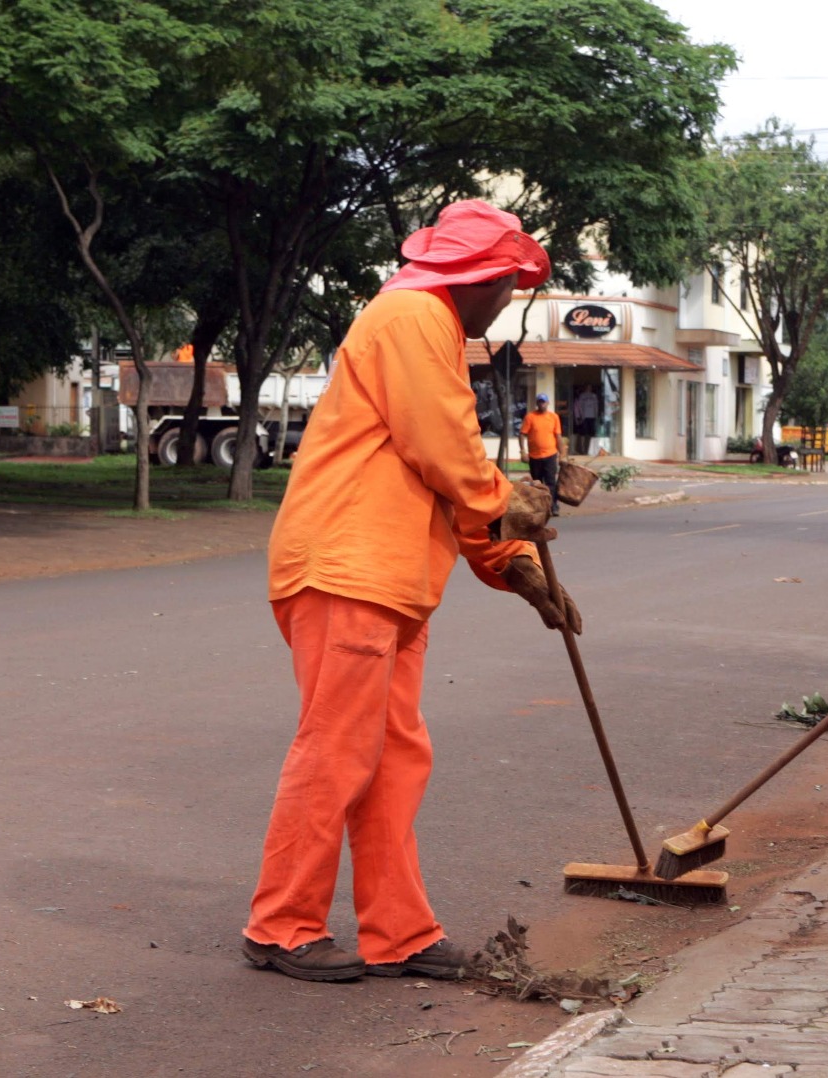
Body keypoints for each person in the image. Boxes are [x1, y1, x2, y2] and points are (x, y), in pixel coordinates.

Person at [243, 200, 583, 984]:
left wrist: (512, 566)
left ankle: (399, 931)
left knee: (393, 757)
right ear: (488, 276)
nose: (506, 300)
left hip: (389, 578)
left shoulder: (427, 330)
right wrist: (506, 501)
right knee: (338, 750)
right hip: (347, 567)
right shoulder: (411, 317)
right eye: (509, 283)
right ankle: (281, 924)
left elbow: (446, 474)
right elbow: (444, 452)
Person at [519, 393, 563, 516]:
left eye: (544, 402)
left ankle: (553, 506)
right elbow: (522, 434)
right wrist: (523, 451)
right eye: (540, 402)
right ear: (537, 403)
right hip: (535, 456)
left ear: (548, 403)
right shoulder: (530, 417)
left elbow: (558, 436)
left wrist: (562, 454)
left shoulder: (554, 417)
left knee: (551, 482)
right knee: (537, 482)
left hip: (550, 454)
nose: (542, 404)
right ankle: (539, 506)